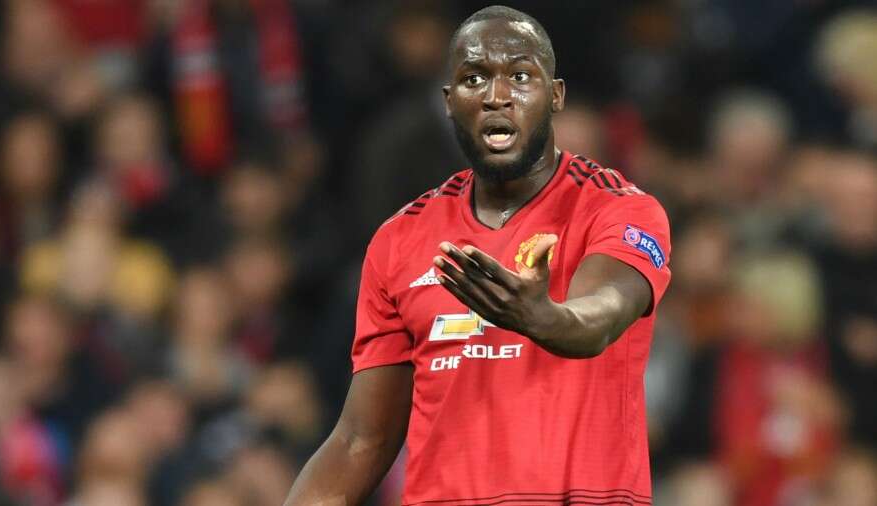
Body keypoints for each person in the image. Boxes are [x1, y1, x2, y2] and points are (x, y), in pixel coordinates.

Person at [285, 6, 671, 506]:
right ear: (449, 102)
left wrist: (543, 317)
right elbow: (361, 441)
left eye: (521, 76)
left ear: (556, 95)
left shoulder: (619, 210)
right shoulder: (400, 239)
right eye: (474, 79)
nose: (496, 95)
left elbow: (601, 316)